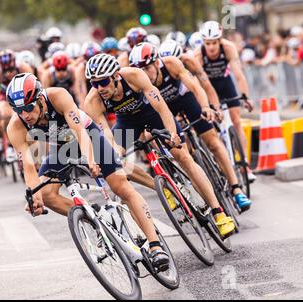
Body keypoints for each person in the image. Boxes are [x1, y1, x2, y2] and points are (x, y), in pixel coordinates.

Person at [6, 73, 170, 270]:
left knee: (120, 186)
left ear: (40, 99)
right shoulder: (15, 126)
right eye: (19, 110)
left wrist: (91, 160)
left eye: (28, 108)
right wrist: (34, 197)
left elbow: (79, 131)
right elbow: (29, 168)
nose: (25, 115)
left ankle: (155, 245)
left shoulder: (57, 96)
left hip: (88, 135)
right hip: (62, 147)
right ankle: (95, 219)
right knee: (47, 194)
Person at [81, 53, 236, 237]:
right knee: (115, 162)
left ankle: (218, 213)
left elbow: (161, 106)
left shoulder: (134, 76)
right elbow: (106, 135)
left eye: (103, 82)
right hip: (127, 122)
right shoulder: (92, 101)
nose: (99, 88)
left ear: (115, 76)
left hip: (151, 113)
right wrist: (114, 154)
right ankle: (162, 187)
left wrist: (172, 133)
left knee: (183, 156)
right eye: (94, 83)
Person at [131, 42, 251, 212]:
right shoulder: (137, 81)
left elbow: (197, 87)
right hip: (165, 109)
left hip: (186, 99)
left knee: (213, 143)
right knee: (179, 152)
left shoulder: (172, 64)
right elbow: (145, 116)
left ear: (157, 63)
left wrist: (207, 107)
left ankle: (236, 189)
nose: (144, 73)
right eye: (139, 70)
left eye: (147, 68)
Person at [194, 21, 256, 182]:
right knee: (213, 127)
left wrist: (245, 97)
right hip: (208, 87)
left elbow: (239, 75)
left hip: (225, 83)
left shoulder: (228, 48)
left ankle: (245, 165)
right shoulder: (198, 55)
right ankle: (221, 159)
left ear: (220, 40)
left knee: (236, 121)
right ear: (203, 43)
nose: (212, 47)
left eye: (214, 42)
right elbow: (199, 84)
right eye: (208, 43)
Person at [0, 50, 34, 161]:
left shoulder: (24, 68)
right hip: (4, 96)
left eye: (11, 70)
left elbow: (35, 87)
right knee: (5, 114)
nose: (9, 74)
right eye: (5, 71)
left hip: (22, 94)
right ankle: (9, 145)